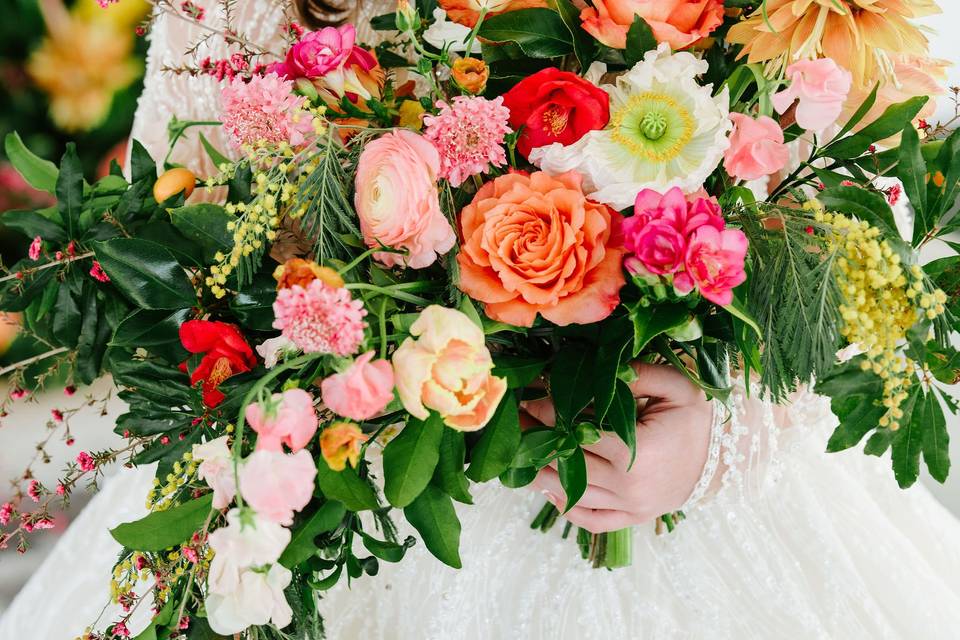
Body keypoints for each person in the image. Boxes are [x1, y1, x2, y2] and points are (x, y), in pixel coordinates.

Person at [2, 1, 960, 638]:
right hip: (334, 502)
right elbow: (173, 246)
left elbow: (840, 261)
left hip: (664, 515)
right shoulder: (228, 15)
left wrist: (722, 435)